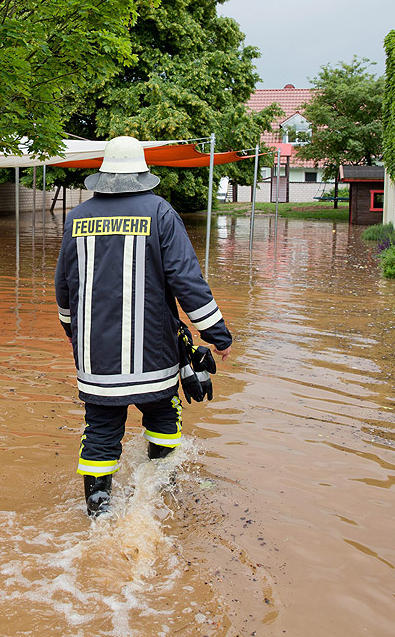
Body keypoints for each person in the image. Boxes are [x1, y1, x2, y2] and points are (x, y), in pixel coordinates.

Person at [54, 135, 233, 516]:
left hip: (96, 359)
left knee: (100, 432)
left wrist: (74, 333)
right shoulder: (160, 212)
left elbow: (64, 287)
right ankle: (159, 498)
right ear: (142, 174)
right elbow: (187, 281)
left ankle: (99, 512)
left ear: (104, 176)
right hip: (154, 356)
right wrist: (217, 334)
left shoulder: (76, 217)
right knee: (164, 419)